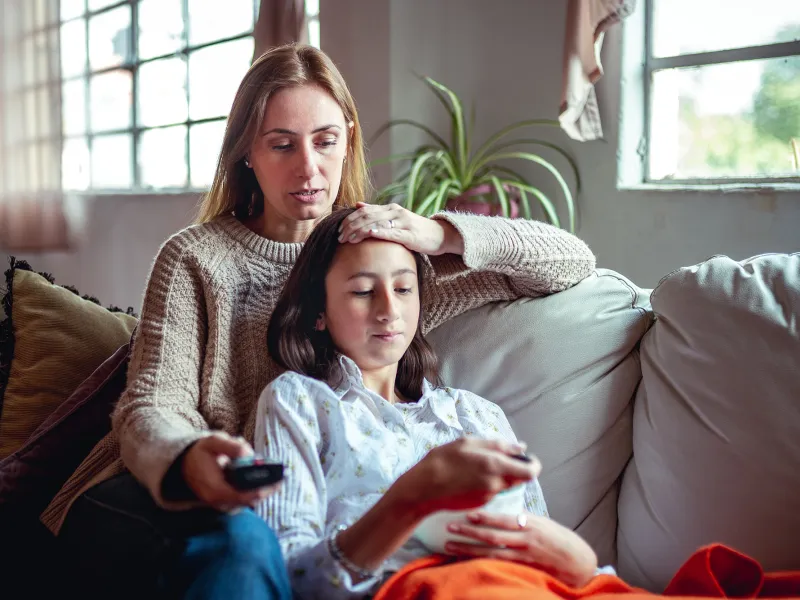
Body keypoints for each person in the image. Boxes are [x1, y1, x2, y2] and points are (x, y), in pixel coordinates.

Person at [45, 43, 596, 598]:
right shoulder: (195, 258)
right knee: (245, 539)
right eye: (282, 144)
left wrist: (439, 234)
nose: (308, 168)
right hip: (162, 490)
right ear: (246, 153)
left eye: (326, 141)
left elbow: (569, 262)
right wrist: (189, 458)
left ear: (349, 141)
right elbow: (151, 406)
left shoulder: (381, 259)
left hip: (286, 510)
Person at [255, 207, 601, 599]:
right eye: (363, 292)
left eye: (404, 289)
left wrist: (441, 235)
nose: (389, 311)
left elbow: (574, 261)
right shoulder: (300, 402)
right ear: (318, 312)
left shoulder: (475, 414)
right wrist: (409, 501)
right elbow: (292, 579)